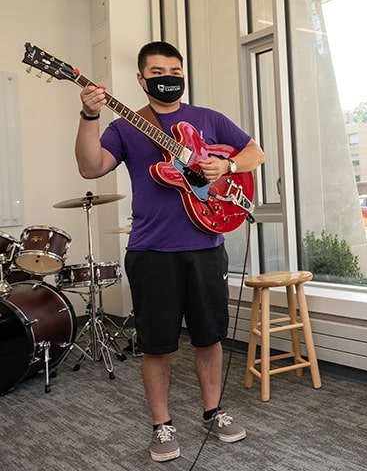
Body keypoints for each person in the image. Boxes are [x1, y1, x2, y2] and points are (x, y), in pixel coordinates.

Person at [75, 41, 265, 463]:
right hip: (151, 251)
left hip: (206, 246)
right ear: (142, 80)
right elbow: (90, 167)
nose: (168, 78)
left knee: (209, 337)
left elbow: (256, 152)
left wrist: (228, 167)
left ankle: (213, 412)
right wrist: (90, 115)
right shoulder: (127, 126)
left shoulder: (208, 119)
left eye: (175, 70)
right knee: (156, 344)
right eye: (158, 72)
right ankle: (161, 424)